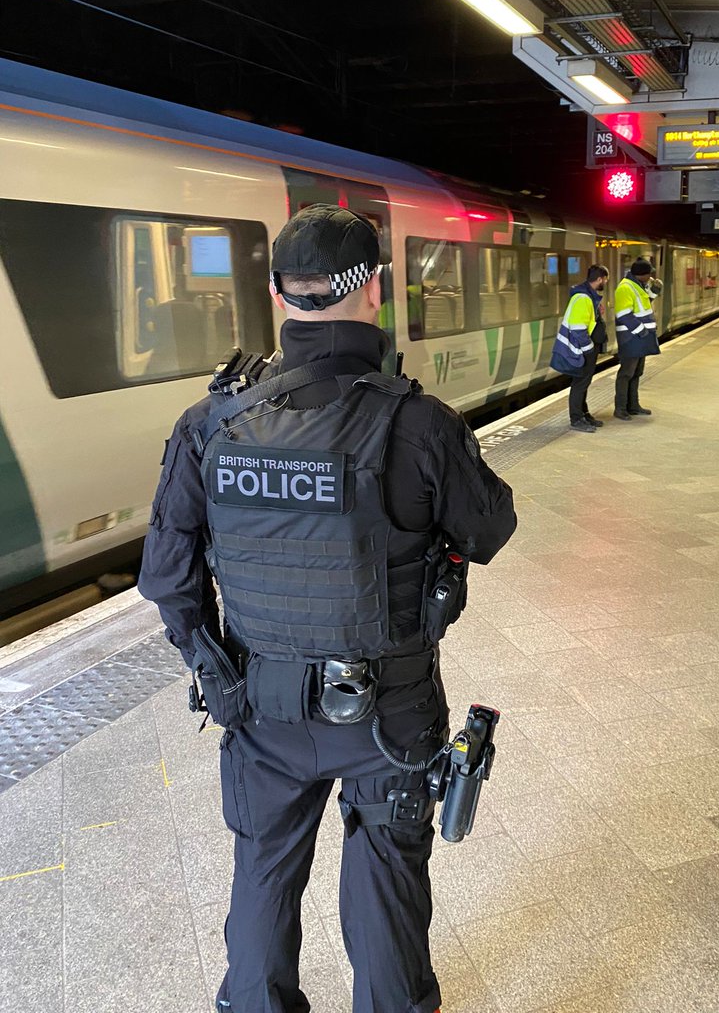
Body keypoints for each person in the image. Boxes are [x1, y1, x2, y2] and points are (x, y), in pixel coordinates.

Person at [138, 204, 517, 1013]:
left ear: (280, 295)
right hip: (390, 711)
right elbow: (490, 529)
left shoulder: (212, 425)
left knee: (263, 875)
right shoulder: (418, 423)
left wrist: (220, 676)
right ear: (374, 289)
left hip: (262, 707)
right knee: (386, 880)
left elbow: (168, 579)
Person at [551, 264, 608, 433]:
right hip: (582, 349)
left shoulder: (588, 296)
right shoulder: (583, 298)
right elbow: (577, 327)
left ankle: (584, 414)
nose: (605, 282)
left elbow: (586, 320)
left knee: (584, 383)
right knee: (580, 384)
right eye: (605, 279)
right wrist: (589, 348)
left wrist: (597, 312)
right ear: (599, 279)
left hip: (586, 347)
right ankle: (576, 419)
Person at [613, 258, 660, 420]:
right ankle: (620, 409)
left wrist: (654, 292)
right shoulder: (625, 288)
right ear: (642, 274)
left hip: (639, 338)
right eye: (649, 274)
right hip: (630, 338)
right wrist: (641, 331)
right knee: (626, 373)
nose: (651, 277)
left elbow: (643, 304)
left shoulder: (637, 285)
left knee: (637, 372)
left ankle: (633, 405)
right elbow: (623, 314)